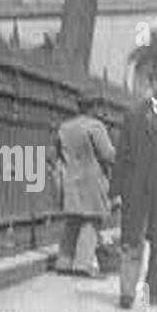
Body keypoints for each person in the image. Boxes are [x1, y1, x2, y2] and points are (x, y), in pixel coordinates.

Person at [113, 33, 157, 309]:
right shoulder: (135, 115)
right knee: (132, 240)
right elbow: (122, 155)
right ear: (150, 83)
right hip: (137, 188)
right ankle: (127, 293)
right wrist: (117, 191)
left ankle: (150, 291)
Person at [53, 91, 115, 276]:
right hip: (92, 180)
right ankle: (82, 264)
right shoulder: (96, 127)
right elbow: (108, 154)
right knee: (91, 220)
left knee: (72, 221)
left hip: (71, 179)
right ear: (94, 107)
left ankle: (63, 262)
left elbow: (56, 153)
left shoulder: (64, 127)